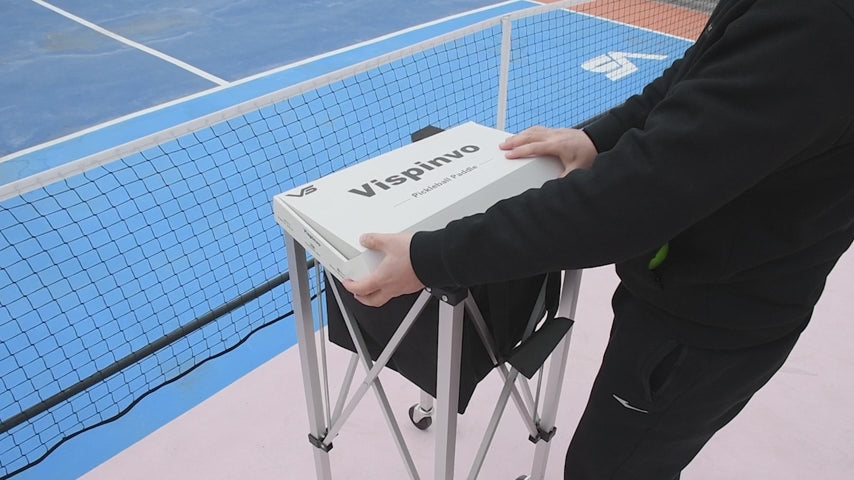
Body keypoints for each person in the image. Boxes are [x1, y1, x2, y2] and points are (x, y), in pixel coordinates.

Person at [343, 0, 854, 477]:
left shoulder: (816, 28)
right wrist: (598, 136)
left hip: (709, 321)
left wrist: (430, 258)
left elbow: (633, 200)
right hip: (691, 290)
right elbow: (697, 72)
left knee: (611, 466)